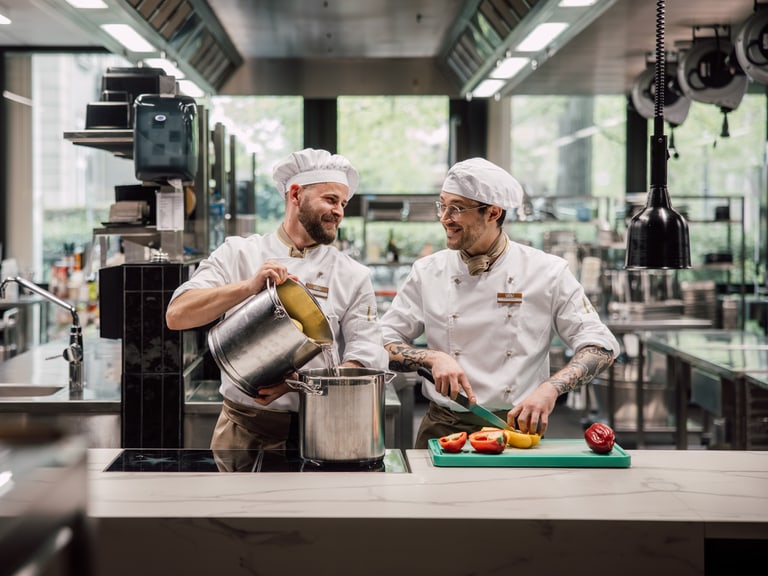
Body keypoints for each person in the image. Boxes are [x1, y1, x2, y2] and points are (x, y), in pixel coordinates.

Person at [380, 157, 620, 448]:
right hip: (443, 428)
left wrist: (551, 389)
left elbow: (601, 346)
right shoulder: (428, 271)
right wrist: (432, 357)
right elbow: (382, 342)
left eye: (456, 208)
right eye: (442, 205)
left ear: (493, 213)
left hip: (516, 429)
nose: (444, 217)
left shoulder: (547, 271)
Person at [166, 148, 388, 454]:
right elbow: (177, 314)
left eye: (343, 204)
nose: (339, 211)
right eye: (331, 199)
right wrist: (247, 287)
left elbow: (367, 354)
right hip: (244, 430)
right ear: (295, 195)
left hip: (323, 428)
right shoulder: (239, 253)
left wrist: (303, 382)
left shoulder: (352, 274)